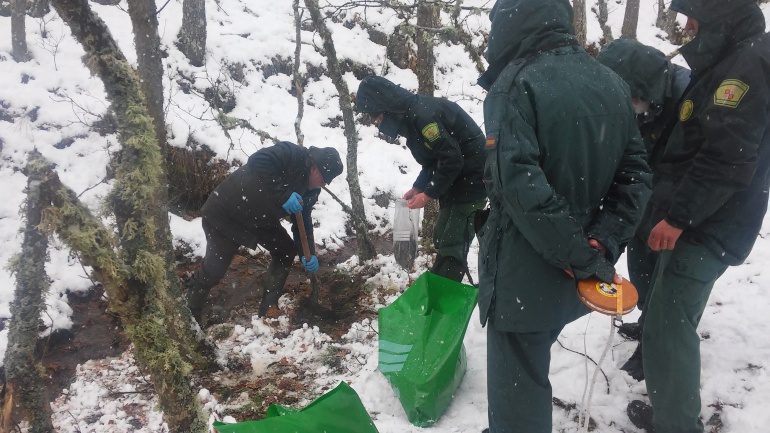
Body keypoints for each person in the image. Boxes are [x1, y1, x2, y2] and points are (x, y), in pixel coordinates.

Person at [475, 1, 652, 432]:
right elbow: (635, 177)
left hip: (526, 270)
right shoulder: (610, 81)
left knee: (518, 381)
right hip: (575, 263)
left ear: (511, 22)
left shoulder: (515, 85)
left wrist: (582, 255)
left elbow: (520, 188)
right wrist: (602, 241)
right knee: (530, 364)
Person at [627, 1, 770, 432]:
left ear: (716, 13)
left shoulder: (743, 67)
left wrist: (679, 217)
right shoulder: (735, 57)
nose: (687, 25)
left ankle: (676, 424)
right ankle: (674, 412)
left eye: (692, 14)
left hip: (708, 223)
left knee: (668, 328)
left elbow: (726, 157)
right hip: (714, 218)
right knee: (673, 319)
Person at [596, 39, 691, 381]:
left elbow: (697, 162)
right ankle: (648, 318)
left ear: (642, 89)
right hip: (647, 192)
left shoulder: (689, 96)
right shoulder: (642, 99)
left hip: (677, 204)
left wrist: (673, 213)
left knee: (665, 279)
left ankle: (653, 347)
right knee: (641, 263)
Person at [185, 141, 343, 322]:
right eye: (323, 179)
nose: (323, 184)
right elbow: (258, 160)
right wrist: (284, 194)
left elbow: (303, 222)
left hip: (260, 220)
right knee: (214, 271)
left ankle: (268, 309)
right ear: (314, 167)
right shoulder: (292, 154)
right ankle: (191, 314)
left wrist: (308, 254)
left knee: (286, 250)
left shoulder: (311, 190)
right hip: (226, 213)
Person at [354, 76, 487, 282]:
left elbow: (452, 159)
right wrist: (419, 187)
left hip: (473, 180)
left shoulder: (423, 117)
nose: (377, 121)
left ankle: (444, 292)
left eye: (376, 116)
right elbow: (433, 161)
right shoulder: (410, 119)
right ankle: (441, 284)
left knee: (453, 241)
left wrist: (428, 194)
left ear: (387, 109)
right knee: (442, 235)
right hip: (455, 180)